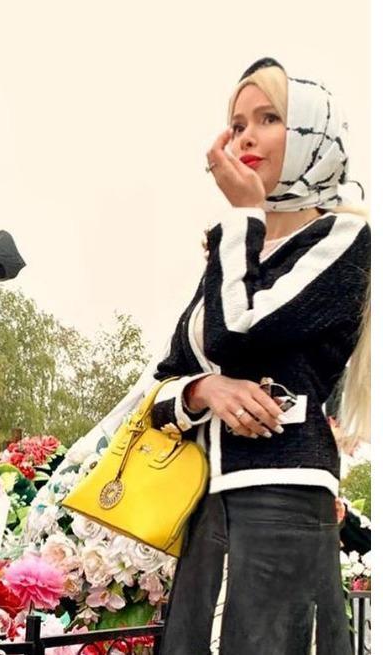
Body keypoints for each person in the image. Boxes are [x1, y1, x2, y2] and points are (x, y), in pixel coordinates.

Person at [152, 57, 369, 654]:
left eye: (268, 118)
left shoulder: (342, 238)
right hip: (205, 503)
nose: (245, 136)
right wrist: (203, 393)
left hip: (283, 499)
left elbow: (237, 333)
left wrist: (242, 218)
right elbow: (168, 379)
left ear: (309, 137)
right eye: (237, 122)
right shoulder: (233, 252)